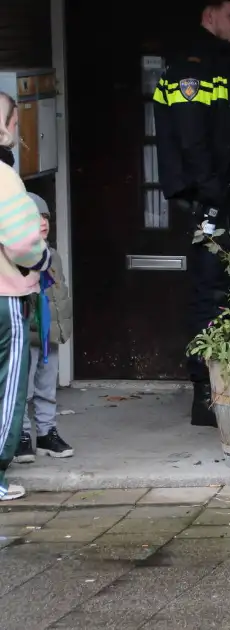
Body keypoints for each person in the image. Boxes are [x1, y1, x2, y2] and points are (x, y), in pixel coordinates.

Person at [152, 0, 230, 427]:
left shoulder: (222, 60)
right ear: (209, 14)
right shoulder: (193, 66)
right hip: (216, 201)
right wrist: (215, 197)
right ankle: (205, 392)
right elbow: (192, 139)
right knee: (210, 292)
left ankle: (225, 385)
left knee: (229, 290)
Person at [0, 92, 53, 501]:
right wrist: (43, 257)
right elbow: (21, 242)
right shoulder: (5, 177)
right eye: (16, 122)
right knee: (10, 381)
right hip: (5, 296)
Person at [13, 194, 73, 464]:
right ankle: (21, 434)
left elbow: (59, 295)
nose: (43, 222)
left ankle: (47, 432)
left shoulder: (54, 256)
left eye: (46, 216)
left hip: (50, 334)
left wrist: (61, 327)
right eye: (36, 217)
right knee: (23, 388)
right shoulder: (18, 258)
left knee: (47, 387)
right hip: (29, 333)